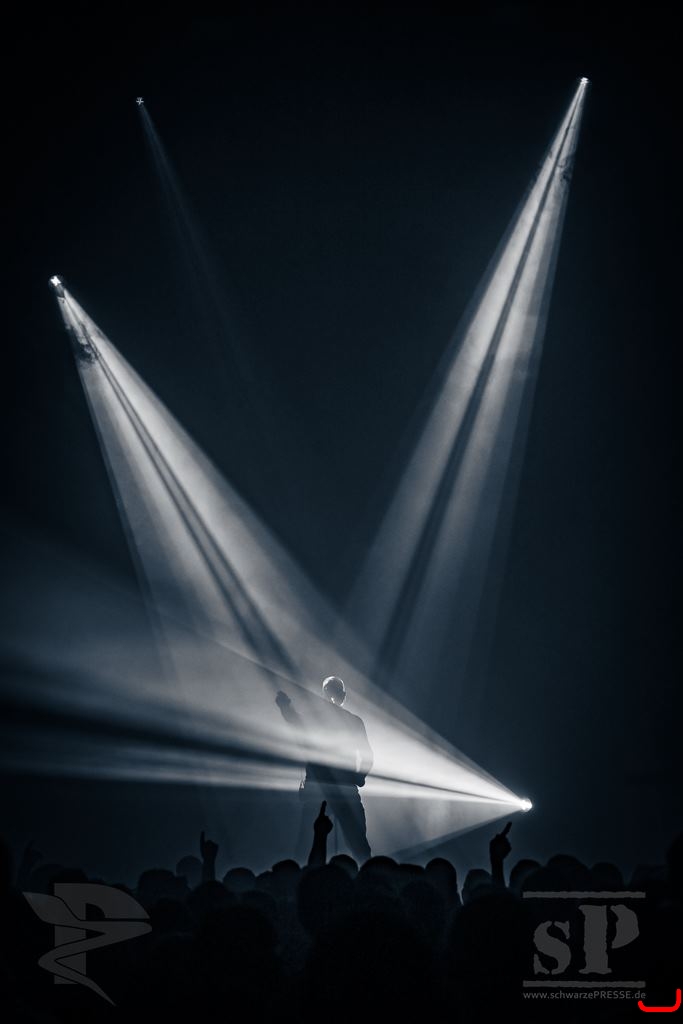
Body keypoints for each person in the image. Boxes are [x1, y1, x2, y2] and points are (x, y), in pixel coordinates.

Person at [276, 676, 373, 863]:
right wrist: (359, 777)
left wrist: (285, 707)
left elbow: (295, 720)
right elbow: (367, 755)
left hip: (322, 787)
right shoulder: (353, 721)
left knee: (308, 842)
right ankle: (367, 872)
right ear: (343, 695)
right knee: (357, 842)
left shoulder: (320, 720)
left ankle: (305, 874)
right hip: (339, 788)